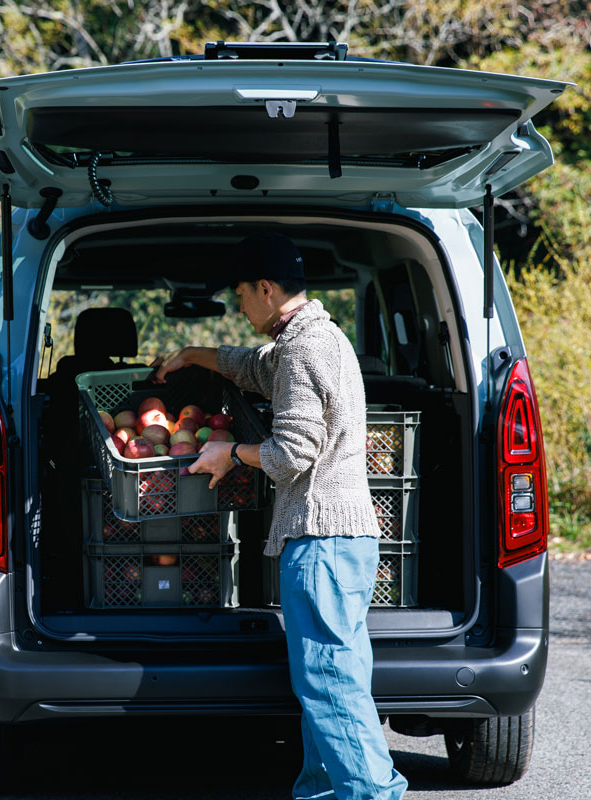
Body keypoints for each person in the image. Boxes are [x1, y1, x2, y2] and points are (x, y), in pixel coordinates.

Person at [152, 231, 408, 800]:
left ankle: (373, 793)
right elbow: (251, 366)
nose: (239, 306)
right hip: (344, 539)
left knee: (329, 683)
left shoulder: (304, 350)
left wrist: (230, 452)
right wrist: (193, 354)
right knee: (334, 678)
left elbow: (293, 452)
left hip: (321, 538)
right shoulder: (313, 339)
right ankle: (321, 791)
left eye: (241, 294)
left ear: (265, 289)